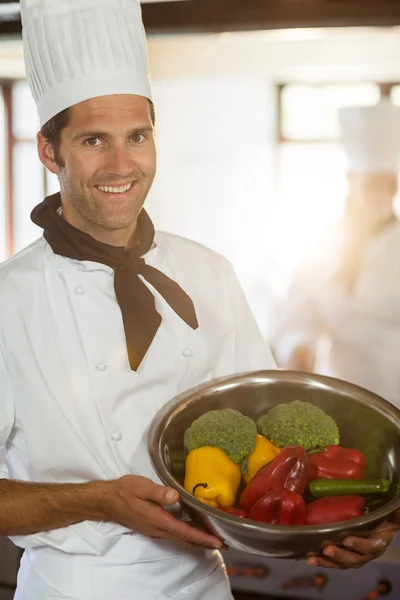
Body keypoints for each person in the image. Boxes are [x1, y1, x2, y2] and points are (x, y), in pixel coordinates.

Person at [0, 1, 397, 597]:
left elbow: (266, 453)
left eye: (138, 136)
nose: (121, 163)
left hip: (205, 586)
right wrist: (99, 500)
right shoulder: (10, 299)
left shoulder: (209, 272)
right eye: (92, 140)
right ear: (50, 152)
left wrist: (337, 529)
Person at [273, 99, 400, 409]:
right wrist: (299, 346)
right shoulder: (323, 242)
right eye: (372, 183)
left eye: (389, 185)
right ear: (351, 181)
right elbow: (297, 314)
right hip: (344, 394)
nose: (380, 194)